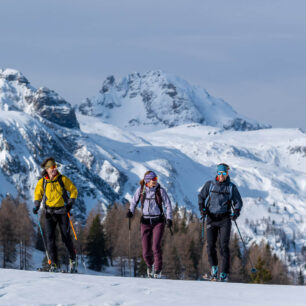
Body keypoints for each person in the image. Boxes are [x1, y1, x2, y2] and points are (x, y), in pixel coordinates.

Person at [198, 163, 243, 282]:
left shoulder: (231, 187)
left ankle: (223, 273)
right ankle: (214, 268)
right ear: (217, 173)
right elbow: (201, 197)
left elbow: (238, 202)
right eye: (219, 173)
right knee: (210, 246)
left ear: (227, 174)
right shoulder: (210, 185)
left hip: (225, 219)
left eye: (224, 173)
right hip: (211, 218)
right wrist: (202, 209)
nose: (221, 175)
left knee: (223, 246)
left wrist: (236, 212)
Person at [33, 157, 78, 272]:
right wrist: (36, 205)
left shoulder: (63, 179)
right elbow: (38, 194)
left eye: (55, 167)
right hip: (49, 213)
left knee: (65, 237)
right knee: (50, 238)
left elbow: (74, 191)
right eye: (52, 167)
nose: (54, 169)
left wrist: (69, 204)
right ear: (47, 170)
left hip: (63, 212)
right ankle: (54, 264)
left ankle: (73, 260)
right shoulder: (43, 182)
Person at [126, 171, 173, 278]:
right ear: (147, 180)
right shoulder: (141, 190)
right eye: (153, 179)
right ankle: (149, 265)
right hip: (145, 222)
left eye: (156, 179)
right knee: (145, 250)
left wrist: (169, 218)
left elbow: (168, 205)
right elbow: (134, 202)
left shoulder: (160, 191)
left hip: (158, 221)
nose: (155, 181)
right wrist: (130, 211)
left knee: (156, 246)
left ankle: (157, 269)